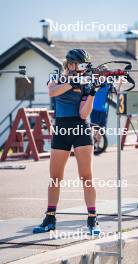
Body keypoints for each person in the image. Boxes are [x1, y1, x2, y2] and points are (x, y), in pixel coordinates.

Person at [33, 49, 101, 235]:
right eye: (79, 65)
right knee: (55, 177)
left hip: (81, 128)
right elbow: (53, 91)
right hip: (62, 128)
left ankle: (92, 219)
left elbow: (83, 113)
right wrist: (73, 82)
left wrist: (92, 93)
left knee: (86, 177)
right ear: (70, 64)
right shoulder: (56, 75)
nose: (82, 69)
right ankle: (50, 218)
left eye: (85, 66)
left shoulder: (86, 80)